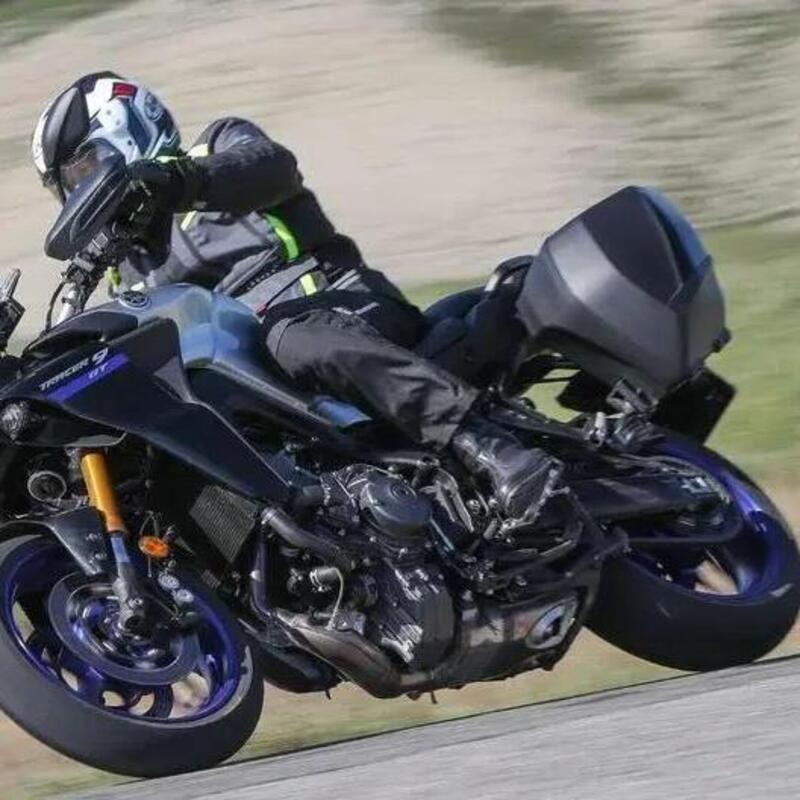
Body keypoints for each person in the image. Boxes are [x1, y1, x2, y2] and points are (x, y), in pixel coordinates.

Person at [32, 71, 562, 520]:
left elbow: (273, 167)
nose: (81, 192)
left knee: (291, 334)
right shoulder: (128, 270)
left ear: (124, 129)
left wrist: (180, 182)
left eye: (84, 171)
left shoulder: (216, 148)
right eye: (69, 186)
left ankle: (485, 444)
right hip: (266, 394)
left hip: (347, 313)